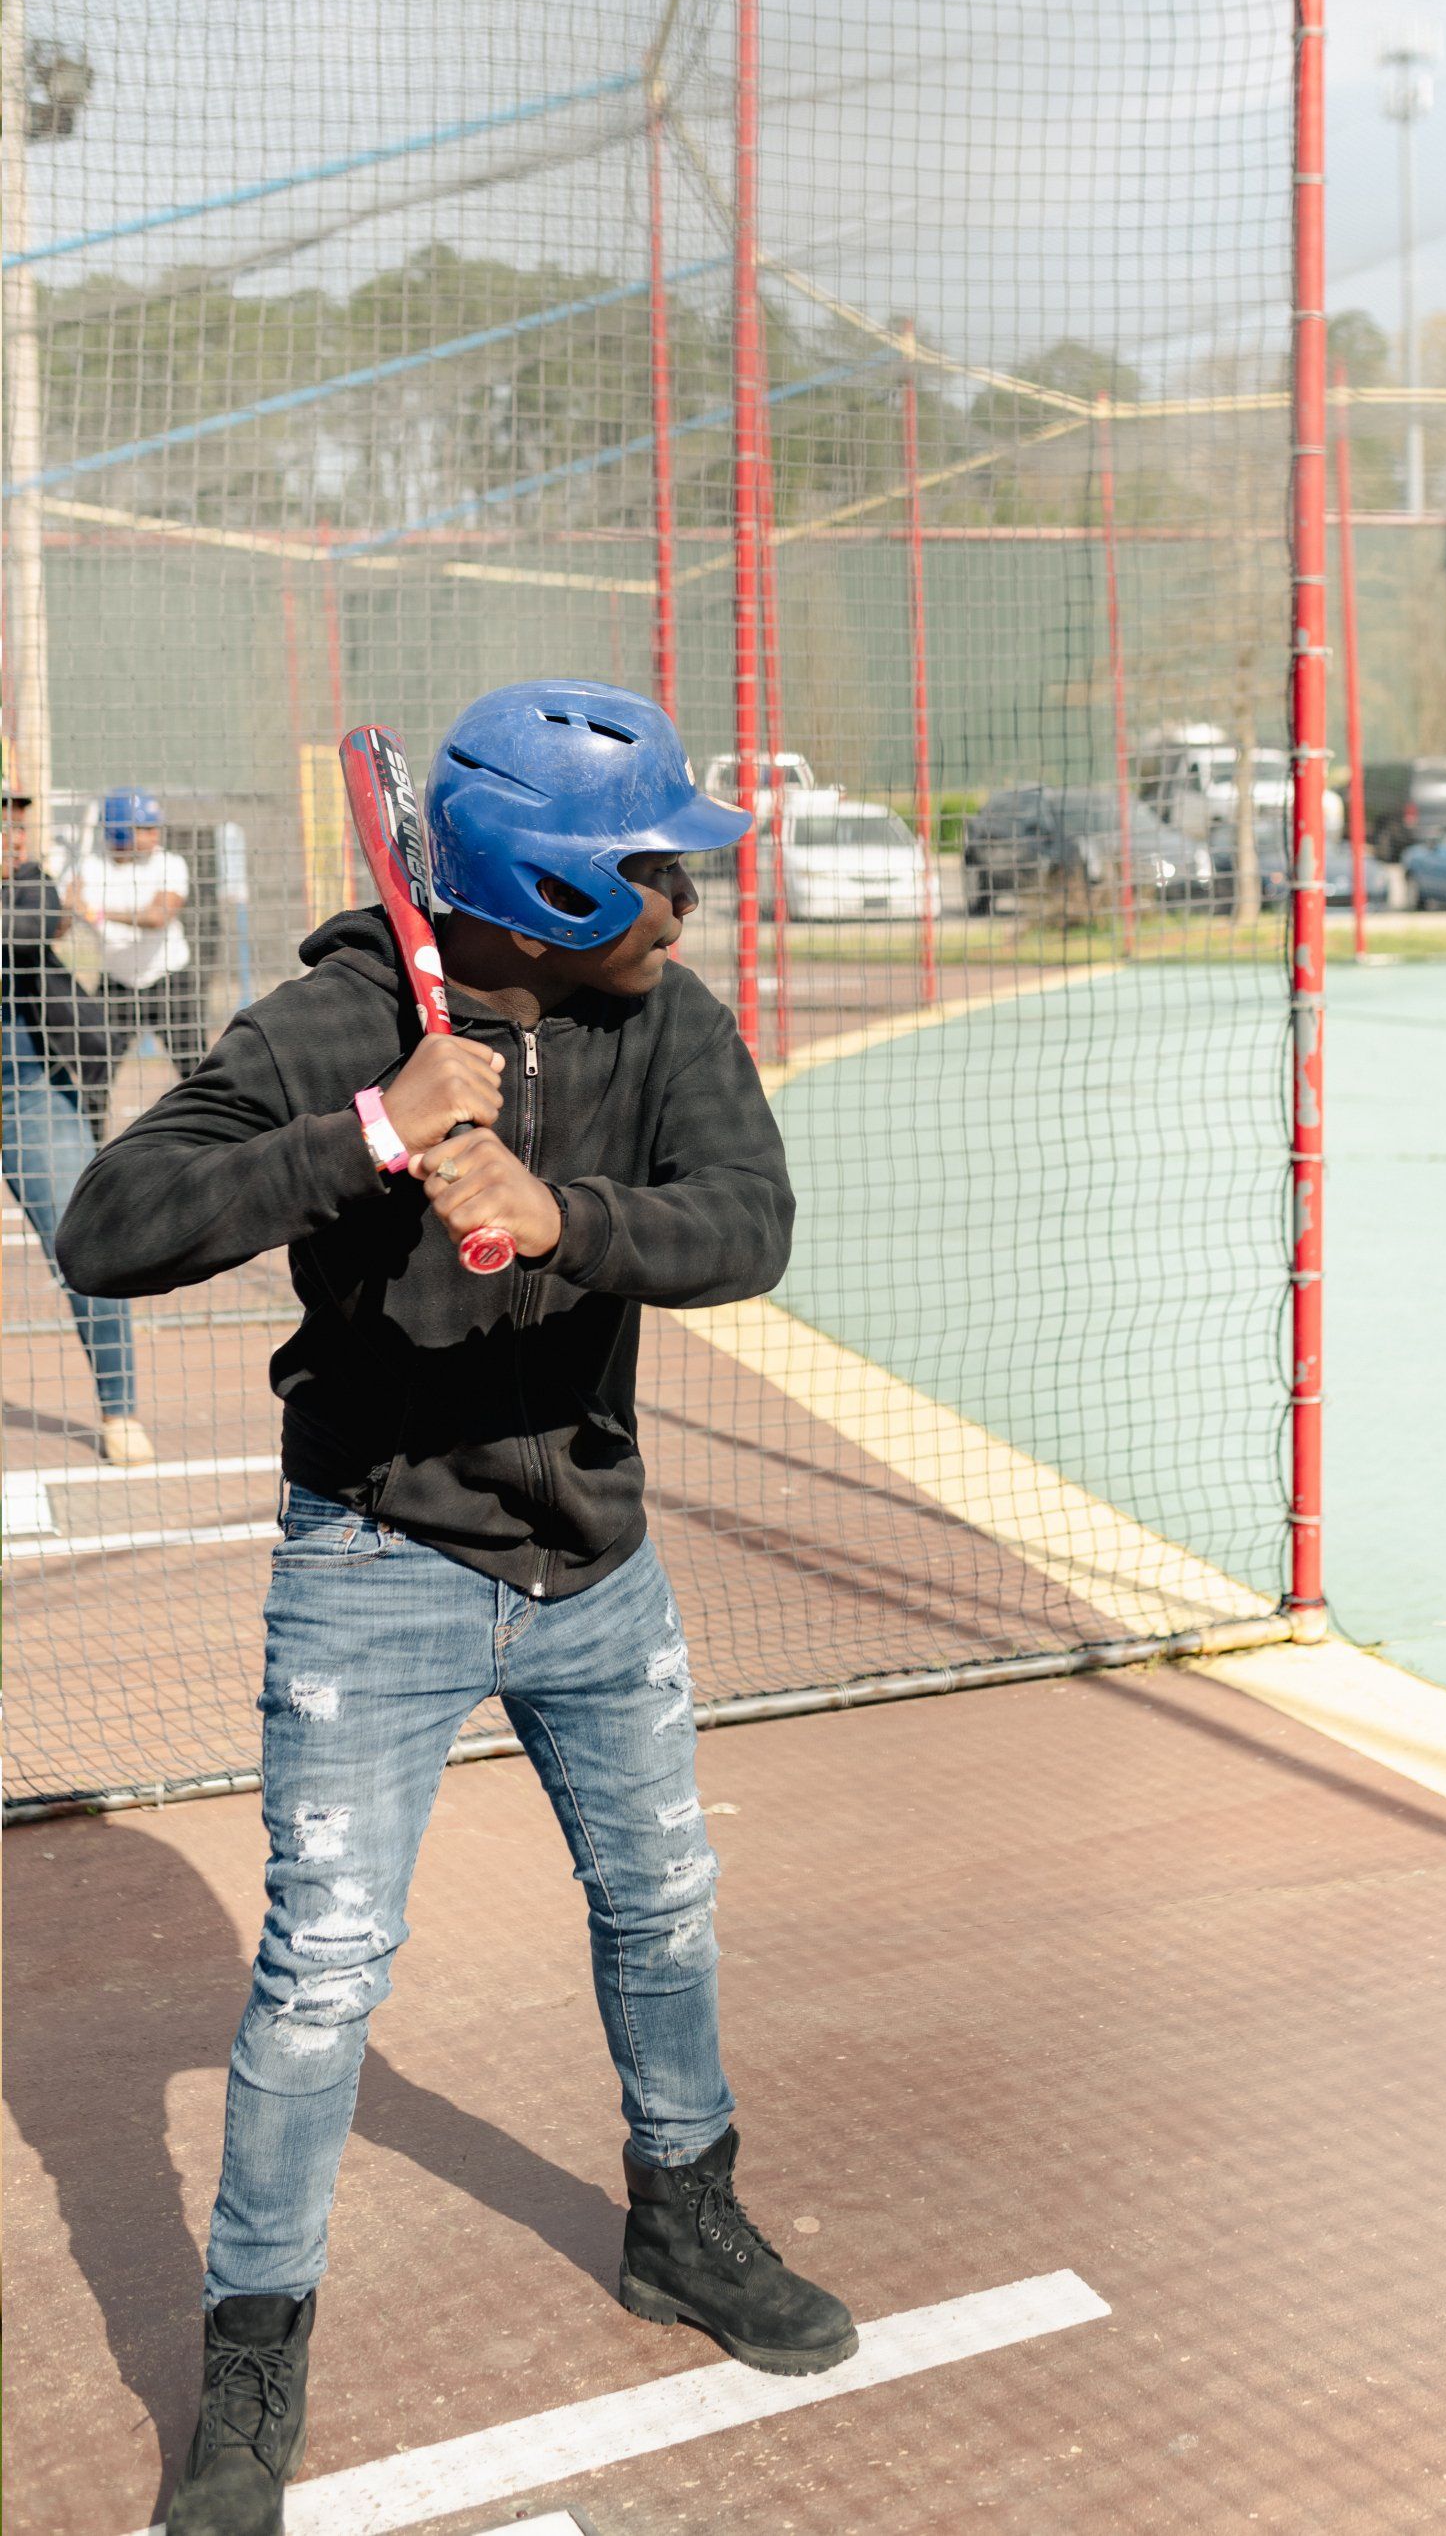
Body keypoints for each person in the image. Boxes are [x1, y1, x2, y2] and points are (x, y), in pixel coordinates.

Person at [58, 682, 856, 2536]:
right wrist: (371, 1129)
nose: (688, 900)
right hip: (376, 1568)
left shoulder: (668, 1022)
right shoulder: (349, 1012)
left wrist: (565, 1214)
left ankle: (684, 2218)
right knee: (322, 1980)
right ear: (550, 894)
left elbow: (750, 1221)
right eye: (652, 871)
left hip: (596, 1554)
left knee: (663, 1902)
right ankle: (252, 2363)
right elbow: (112, 1220)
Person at [2, 780, 153, 1465]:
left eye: (18, 823)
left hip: (28, 1093)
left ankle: (118, 1410)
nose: (15, 835)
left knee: (82, 1240)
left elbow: (34, 922)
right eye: (2, 823)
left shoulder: (32, 883)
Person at [68, 786, 206, 1075]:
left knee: (196, 1068)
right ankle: (91, 1120)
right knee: (96, 1066)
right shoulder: (89, 868)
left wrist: (98, 912)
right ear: (120, 830)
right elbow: (66, 911)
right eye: (145, 828)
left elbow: (159, 916)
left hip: (168, 977)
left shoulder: (169, 862)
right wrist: (70, 902)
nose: (155, 834)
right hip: (118, 982)